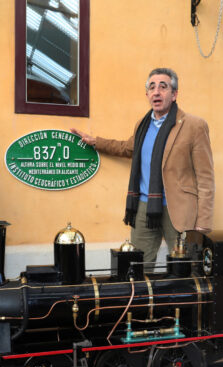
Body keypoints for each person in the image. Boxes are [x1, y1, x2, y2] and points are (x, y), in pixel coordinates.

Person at [72, 68, 214, 263]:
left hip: (180, 211)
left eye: (163, 87)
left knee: (186, 268)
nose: (156, 92)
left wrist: (203, 223)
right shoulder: (142, 124)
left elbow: (206, 178)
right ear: (147, 94)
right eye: (152, 87)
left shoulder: (193, 125)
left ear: (174, 94)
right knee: (139, 267)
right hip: (144, 207)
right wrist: (96, 142)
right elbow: (127, 148)